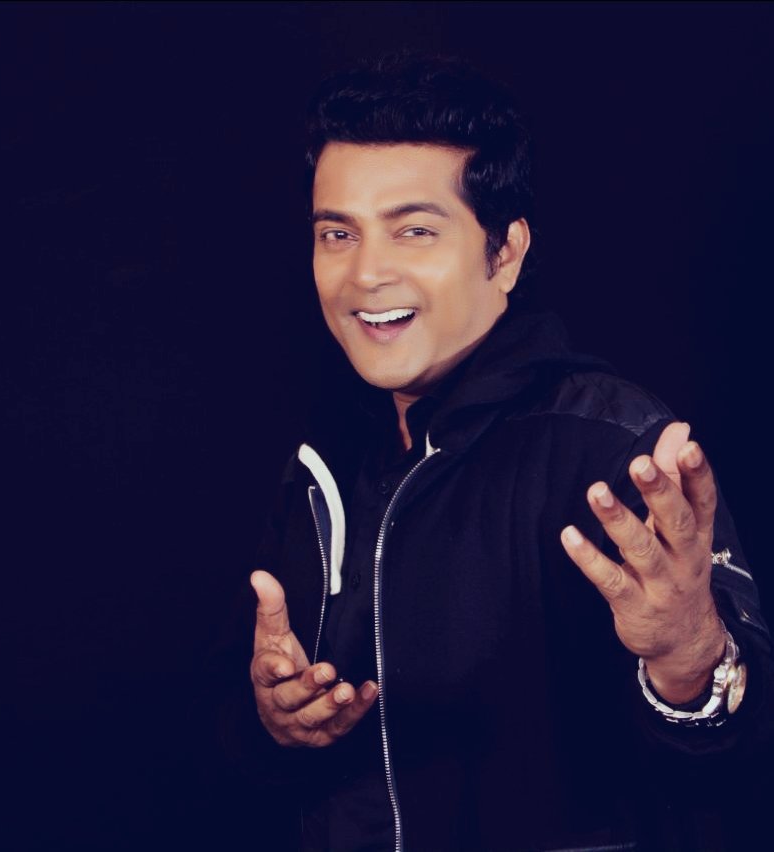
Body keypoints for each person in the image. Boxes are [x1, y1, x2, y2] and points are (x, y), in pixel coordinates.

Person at [228, 55, 772, 851]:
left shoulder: (615, 447)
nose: (366, 272)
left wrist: (693, 664)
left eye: (414, 230)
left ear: (505, 252)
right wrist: (281, 725)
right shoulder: (322, 464)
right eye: (336, 234)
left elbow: (743, 762)